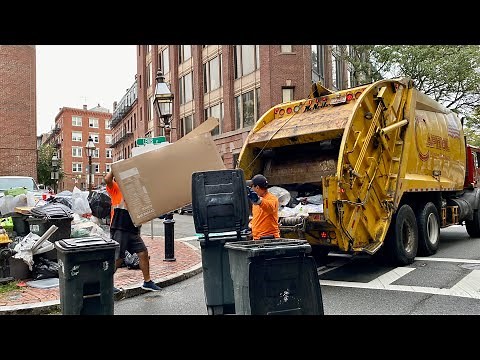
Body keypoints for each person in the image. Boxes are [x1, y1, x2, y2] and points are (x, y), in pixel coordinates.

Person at [104, 171, 161, 292]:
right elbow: (107, 180)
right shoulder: (116, 188)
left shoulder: (137, 192)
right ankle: (105, 284)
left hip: (133, 228)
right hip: (119, 227)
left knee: (143, 253)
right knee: (118, 258)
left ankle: (147, 282)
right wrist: (115, 168)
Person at [246, 174, 280, 240]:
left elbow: (270, 207)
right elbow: (259, 217)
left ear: (257, 187)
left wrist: (259, 201)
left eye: (252, 187)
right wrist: (250, 225)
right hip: (258, 239)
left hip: (269, 240)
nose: (251, 189)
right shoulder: (256, 202)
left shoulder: (272, 199)